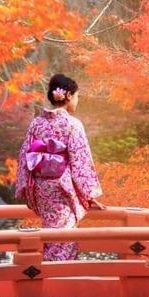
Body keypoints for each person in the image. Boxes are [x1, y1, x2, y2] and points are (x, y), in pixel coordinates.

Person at [14, 73, 105, 261]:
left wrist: (25, 188)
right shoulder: (72, 124)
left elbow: (24, 157)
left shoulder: (36, 123)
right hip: (62, 189)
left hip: (41, 188)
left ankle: (53, 278)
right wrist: (89, 195)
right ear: (69, 96)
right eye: (77, 97)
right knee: (64, 237)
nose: (77, 101)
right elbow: (81, 161)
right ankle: (58, 281)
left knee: (52, 235)